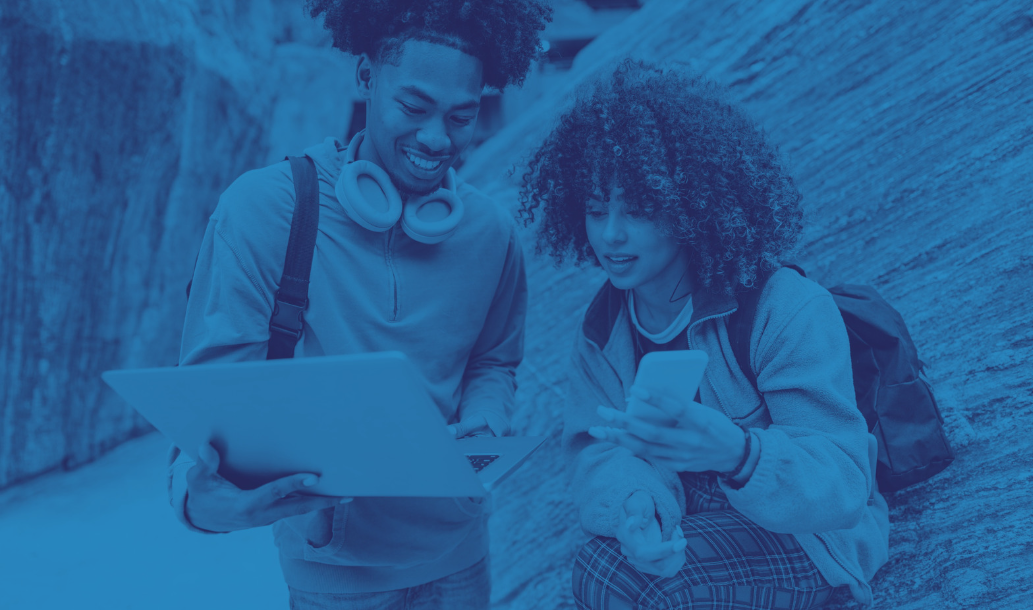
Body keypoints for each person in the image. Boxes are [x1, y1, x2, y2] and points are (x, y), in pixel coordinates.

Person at [167, 2, 552, 608]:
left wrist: (483, 424)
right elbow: (213, 400)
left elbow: (493, 363)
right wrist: (195, 499)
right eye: (413, 106)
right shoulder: (263, 211)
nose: (435, 139)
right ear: (367, 77)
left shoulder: (491, 233)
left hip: (463, 560)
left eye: (462, 116)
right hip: (333, 576)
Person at [519, 59, 889, 609]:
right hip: (695, 525)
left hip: (809, 539)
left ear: (691, 207)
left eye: (639, 210)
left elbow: (842, 481)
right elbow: (596, 454)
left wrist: (740, 453)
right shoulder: (602, 332)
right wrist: (636, 511)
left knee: (656, 589)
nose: (611, 235)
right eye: (596, 211)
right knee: (599, 566)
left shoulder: (782, 306)